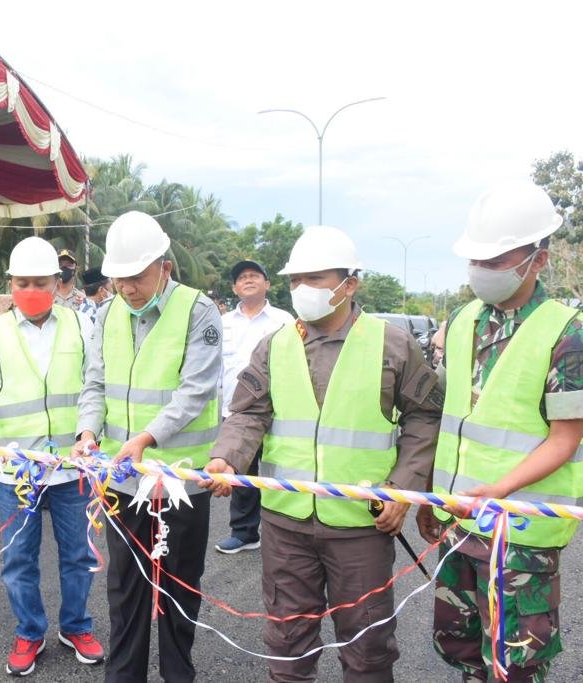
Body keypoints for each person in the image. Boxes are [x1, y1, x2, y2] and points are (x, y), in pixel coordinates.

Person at [205, 225, 442, 682]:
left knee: (367, 647)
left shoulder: (392, 345)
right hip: (284, 523)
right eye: (296, 280)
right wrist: (226, 458)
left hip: (361, 525)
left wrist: (402, 490)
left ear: (349, 284)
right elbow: (248, 413)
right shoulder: (274, 345)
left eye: (315, 279)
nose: (302, 290)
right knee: (287, 646)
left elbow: (424, 418)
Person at [417, 182, 583, 682]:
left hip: (520, 532)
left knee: (515, 659)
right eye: (477, 260)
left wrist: (501, 489)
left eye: (497, 260)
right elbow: (452, 417)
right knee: (462, 645)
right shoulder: (463, 317)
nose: (483, 271)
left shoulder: (567, 331)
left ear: (538, 259)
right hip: (459, 519)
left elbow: (565, 436)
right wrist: (431, 495)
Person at [0, 237, 103, 676]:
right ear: (10, 283)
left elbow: (92, 387)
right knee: (19, 560)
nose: (32, 289)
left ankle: (76, 626)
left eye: (41, 281)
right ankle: (30, 631)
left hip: (71, 468)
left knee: (79, 555)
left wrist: (89, 432)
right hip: (16, 472)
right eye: (23, 282)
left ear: (56, 282)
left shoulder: (82, 326)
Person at [72, 212, 222, 682]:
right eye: (119, 279)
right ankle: (124, 676)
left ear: (165, 267)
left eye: (136, 277)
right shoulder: (106, 312)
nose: (127, 289)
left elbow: (194, 390)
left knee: (178, 587)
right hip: (124, 480)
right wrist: (87, 433)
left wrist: (146, 437)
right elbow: (93, 383)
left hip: (179, 481)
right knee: (125, 588)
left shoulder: (199, 311)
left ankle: (178, 674)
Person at [213, 260, 293, 555]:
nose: (247, 280)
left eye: (254, 276)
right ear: (234, 288)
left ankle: (282, 532)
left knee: (276, 472)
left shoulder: (284, 320)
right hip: (235, 412)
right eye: (241, 278)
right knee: (241, 474)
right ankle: (245, 532)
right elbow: (215, 369)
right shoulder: (222, 323)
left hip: (277, 412)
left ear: (267, 284)